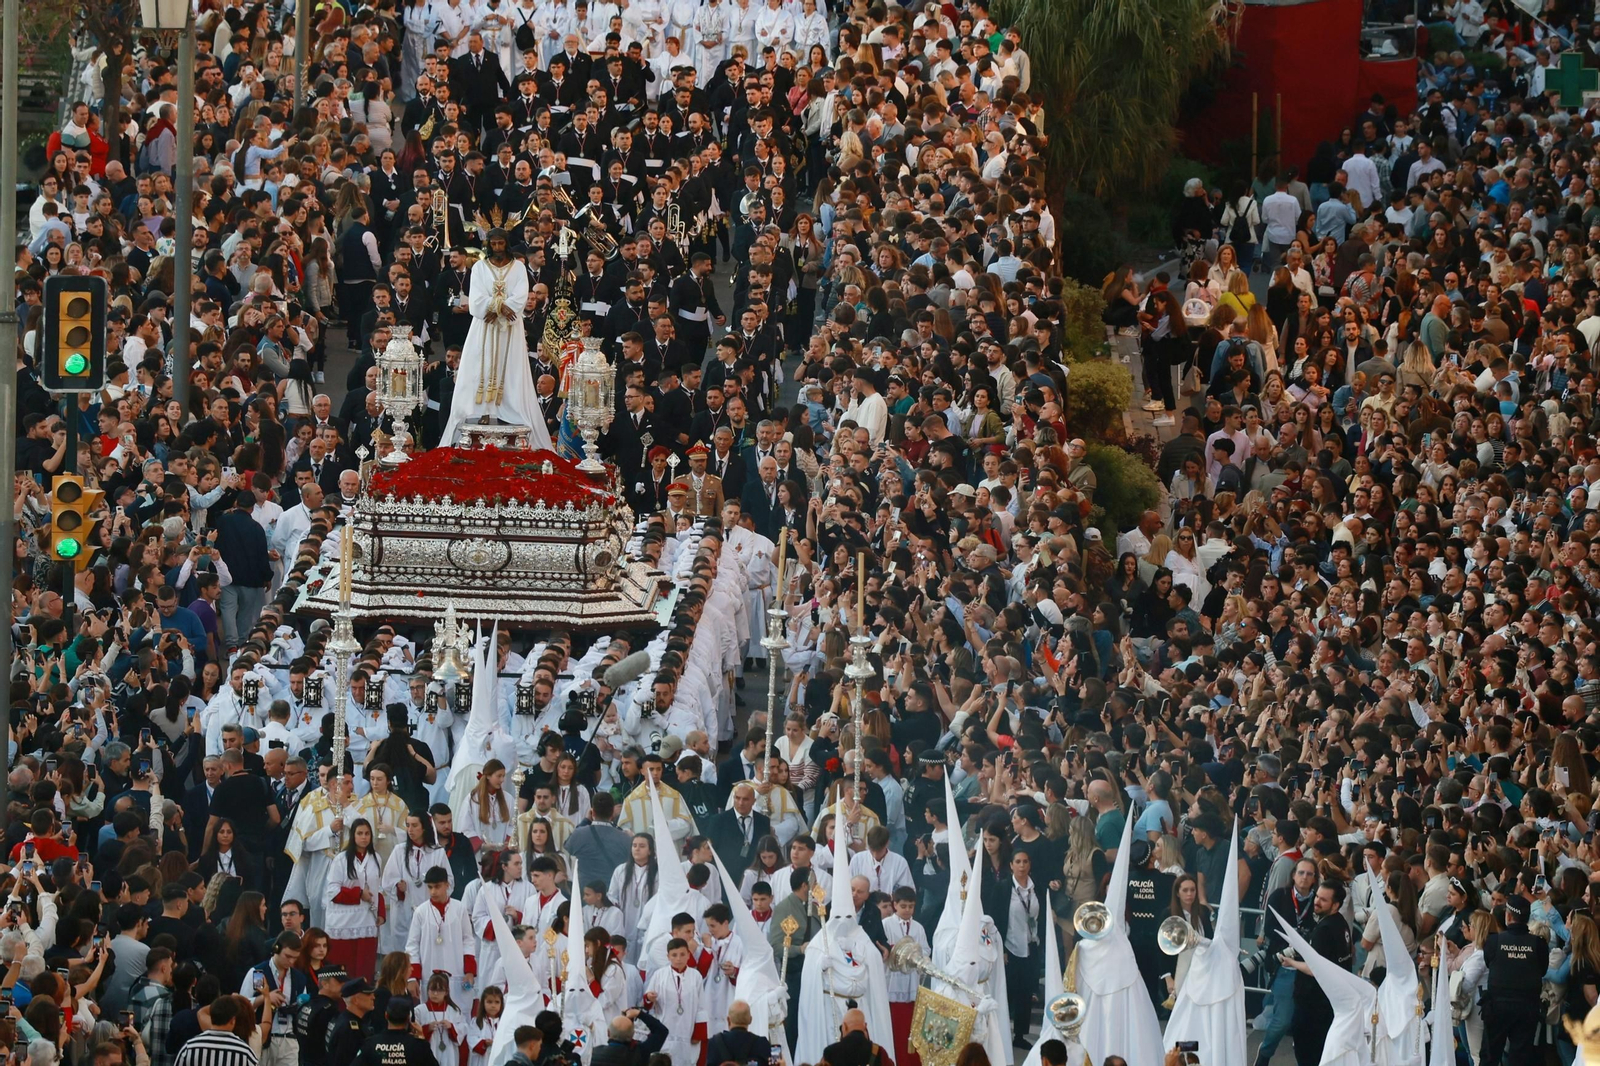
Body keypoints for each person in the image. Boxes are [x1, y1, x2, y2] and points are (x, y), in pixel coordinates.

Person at [439, 229, 553, 450]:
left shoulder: (518, 267)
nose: (498, 248)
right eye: (494, 244)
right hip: (485, 325)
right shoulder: (480, 267)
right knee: (481, 366)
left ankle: (508, 408)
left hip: (510, 327)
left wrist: (500, 307)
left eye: (501, 243)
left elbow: (521, 294)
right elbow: (477, 296)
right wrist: (495, 307)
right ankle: (482, 410)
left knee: (510, 367)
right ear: (489, 245)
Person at [355, 997, 440, 1066]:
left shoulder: (371, 1043)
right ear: (408, 1018)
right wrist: (421, 1037)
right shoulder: (419, 1045)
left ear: (386, 1015)